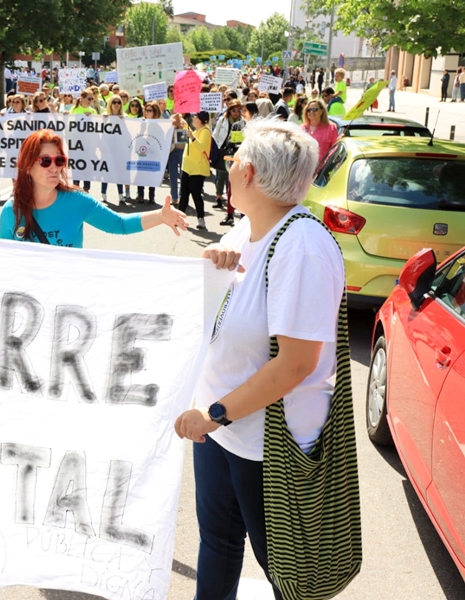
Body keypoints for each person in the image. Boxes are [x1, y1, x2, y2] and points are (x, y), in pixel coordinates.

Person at [175, 118, 344, 600]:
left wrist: (213, 415)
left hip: (268, 447)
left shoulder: (303, 246)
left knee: (288, 576)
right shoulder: (247, 229)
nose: (226, 172)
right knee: (219, 545)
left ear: (248, 173)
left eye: (232, 164)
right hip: (220, 431)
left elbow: (295, 365)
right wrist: (211, 269)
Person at [0, 130, 186, 247]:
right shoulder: (11, 211)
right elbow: (1, 258)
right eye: (45, 161)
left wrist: (161, 216)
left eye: (59, 160)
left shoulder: (77, 201)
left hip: (67, 301)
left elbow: (119, 224)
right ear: (28, 166)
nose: (55, 167)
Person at [220, 101, 258, 226]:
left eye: (244, 110)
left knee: (248, 190)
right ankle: (230, 214)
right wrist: (234, 143)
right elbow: (230, 142)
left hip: (252, 163)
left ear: (252, 112)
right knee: (232, 189)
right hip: (237, 160)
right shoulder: (237, 125)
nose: (241, 113)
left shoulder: (259, 126)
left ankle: (245, 217)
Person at [178, 112, 213, 231]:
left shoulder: (205, 132)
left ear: (200, 120)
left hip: (197, 169)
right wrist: (185, 126)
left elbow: (201, 148)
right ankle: (179, 218)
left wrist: (192, 137)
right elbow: (189, 136)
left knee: (196, 194)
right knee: (184, 194)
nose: (193, 118)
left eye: (195, 117)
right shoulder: (197, 130)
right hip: (187, 167)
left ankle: (201, 219)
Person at [212, 100, 243, 209]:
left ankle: (232, 200)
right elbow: (215, 134)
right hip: (223, 150)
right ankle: (219, 197)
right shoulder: (223, 119)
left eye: (238, 111)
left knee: (234, 177)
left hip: (237, 151)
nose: (235, 113)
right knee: (221, 175)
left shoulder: (243, 122)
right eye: (233, 110)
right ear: (229, 111)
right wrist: (216, 148)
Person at [100, 96, 126, 204]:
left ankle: (121, 195)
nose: (116, 104)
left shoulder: (125, 117)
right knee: (106, 172)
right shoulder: (105, 117)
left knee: (118, 173)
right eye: (114, 102)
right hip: (107, 149)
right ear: (110, 104)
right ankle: (103, 194)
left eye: (118, 102)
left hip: (119, 150)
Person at [301, 97, 337, 164]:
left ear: (321, 111)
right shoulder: (301, 128)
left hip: (323, 169)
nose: (311, 112)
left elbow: (335, 149)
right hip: (304, 169)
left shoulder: (331, 128)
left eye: (315, 109)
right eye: (309, 110)